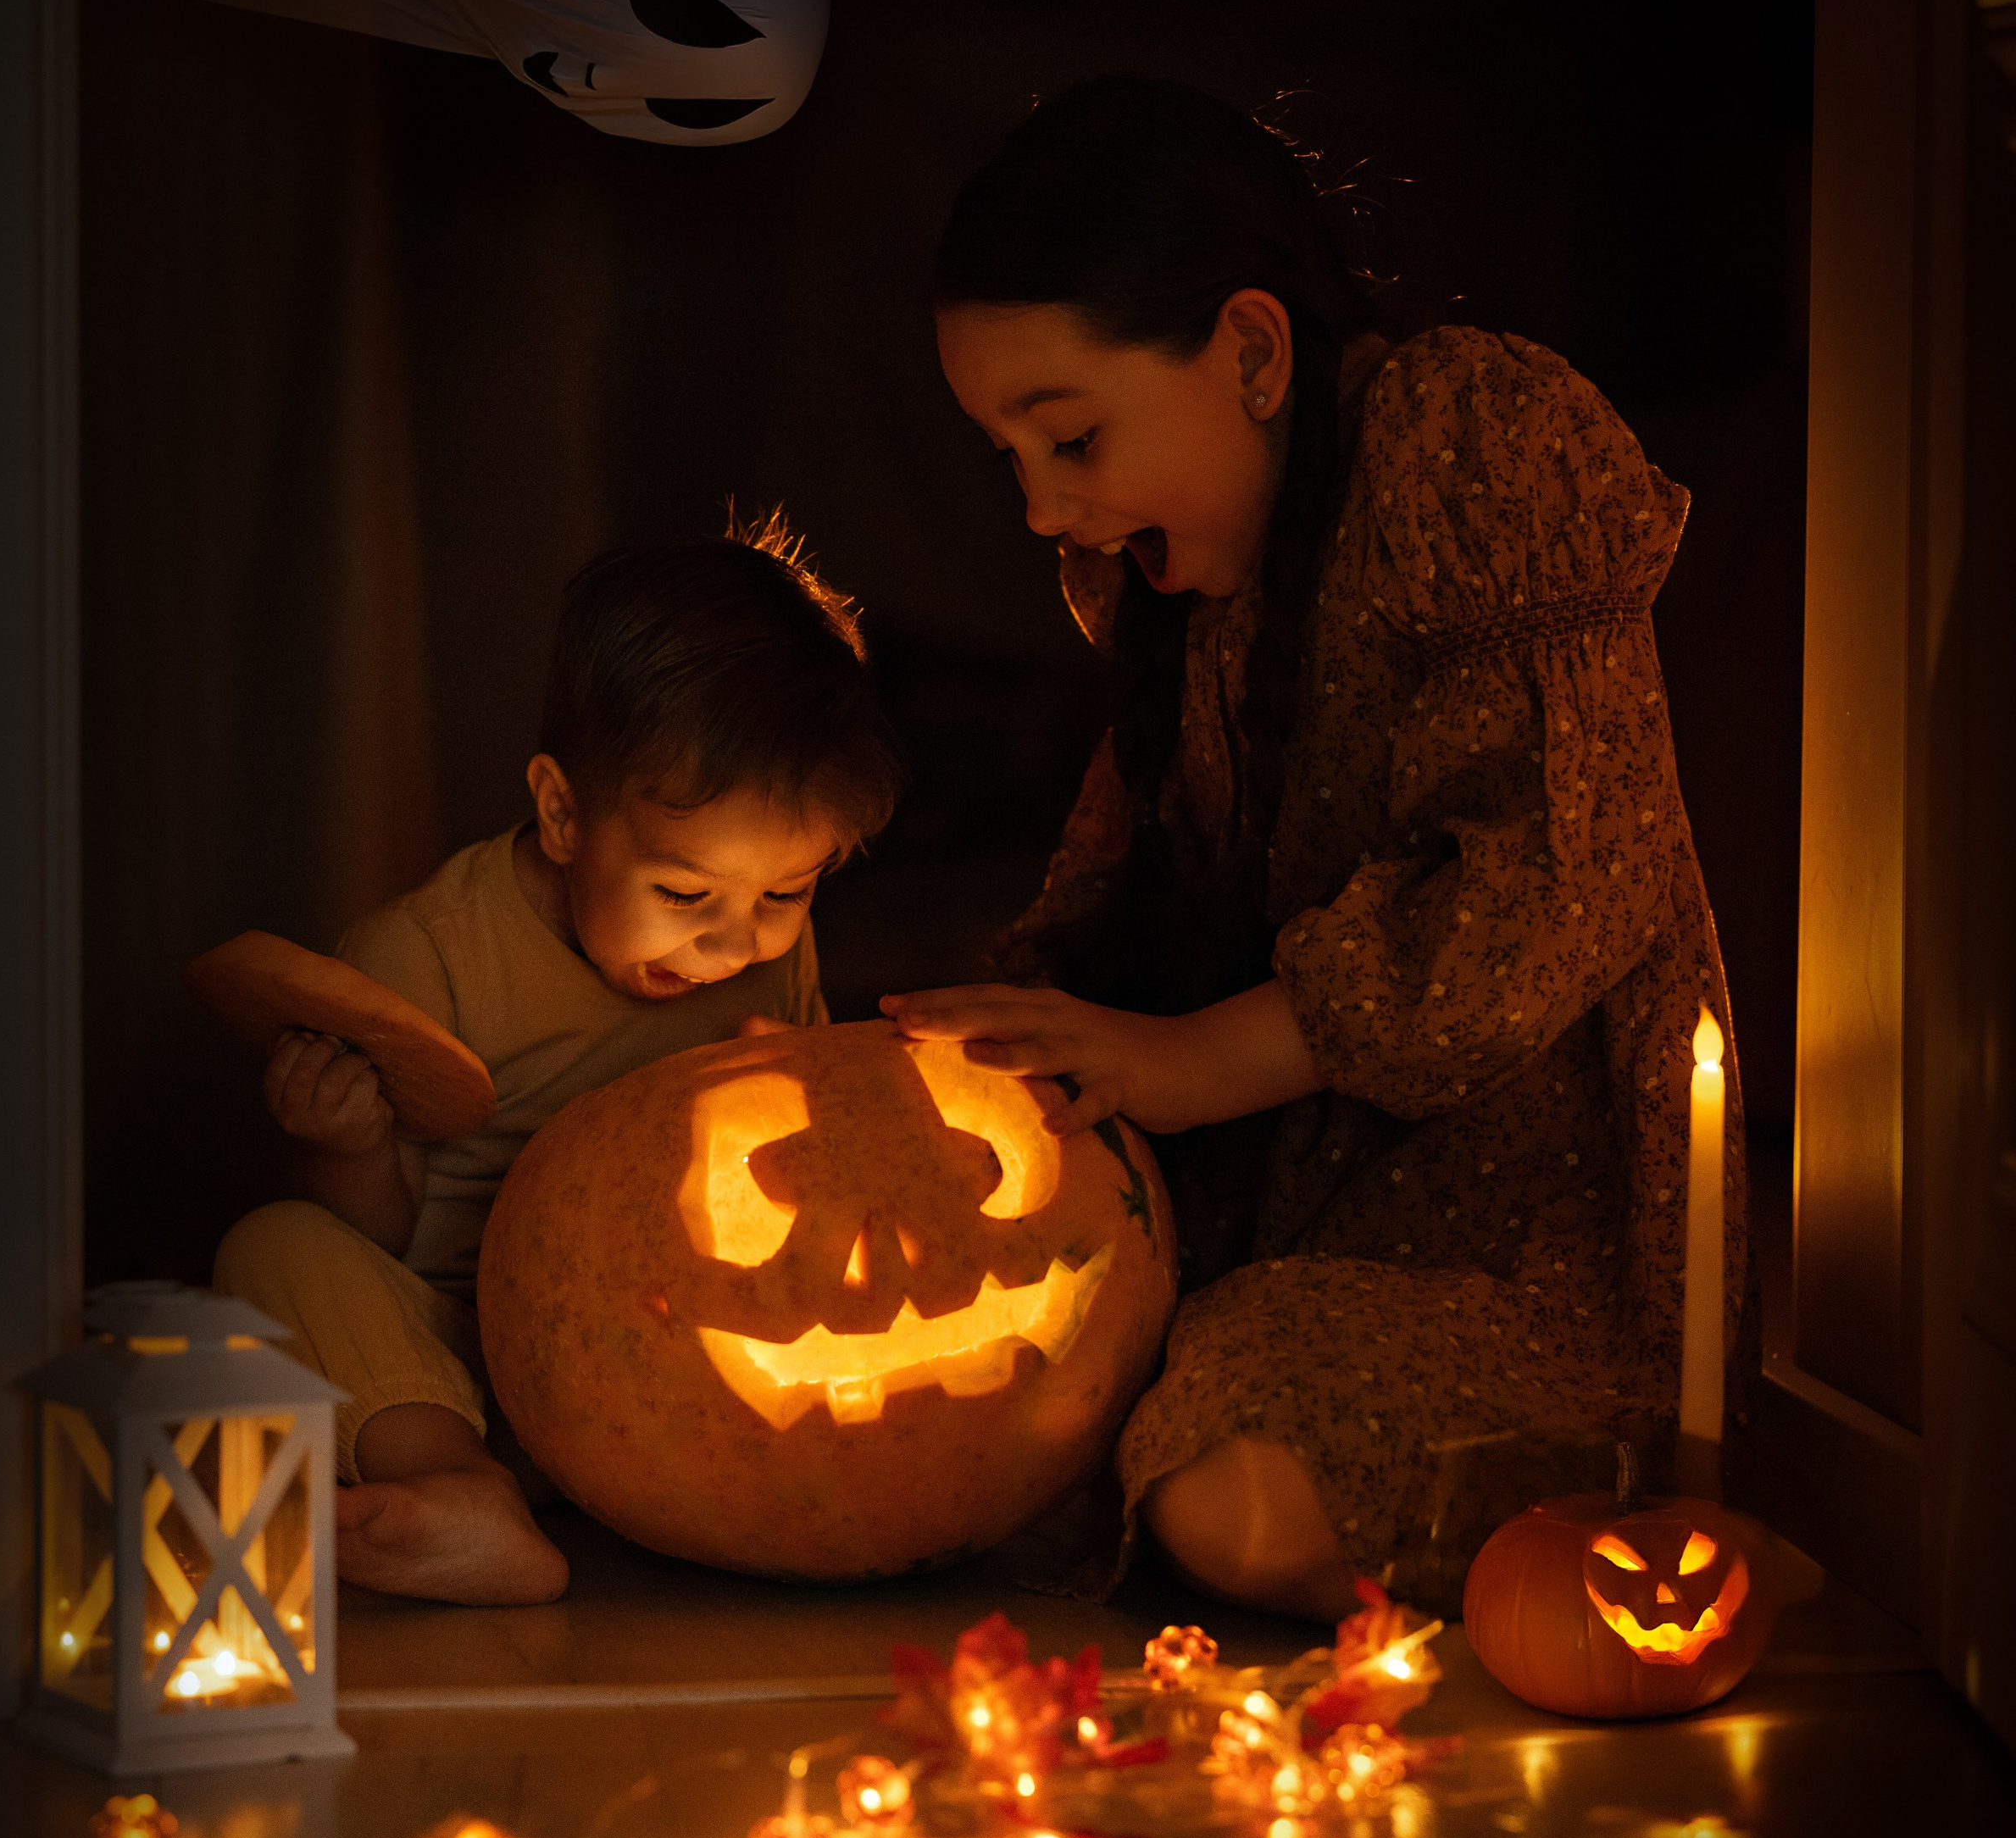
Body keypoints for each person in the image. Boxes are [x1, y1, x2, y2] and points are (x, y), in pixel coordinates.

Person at [883, 78, 1747, 1617]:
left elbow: (1564, 876)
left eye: (1069, 437)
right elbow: (1117, 892)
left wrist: (1197, 1058)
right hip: (1280, 1220)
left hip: (1515, 1238)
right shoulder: (1183, 610)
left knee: (1236, 1478)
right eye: (1006, 458)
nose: (1038, 510)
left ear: (1256, 353)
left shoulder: (1458, 431)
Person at [217, 519, 900, 1606]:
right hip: (453, 1359)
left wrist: (810, 1086)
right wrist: (342, 1143)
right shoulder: (428, 953)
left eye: (786, 893)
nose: (734, 941)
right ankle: (453, 1489)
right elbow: (375, 1241)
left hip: (669, 1368)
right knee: (277, 1248)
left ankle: (639, 1490)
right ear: (564, 812)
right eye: (686, 896)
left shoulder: (768, 956)